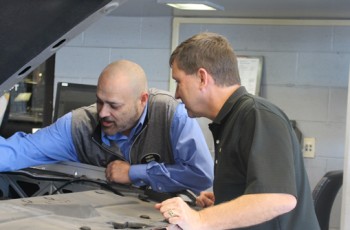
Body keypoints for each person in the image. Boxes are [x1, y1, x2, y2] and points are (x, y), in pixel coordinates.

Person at [155, 32, 320, 229]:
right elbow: (258, 191)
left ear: (201, 78)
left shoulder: (256, 115)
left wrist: (200, 219)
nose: (176, 94)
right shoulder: (231, 120)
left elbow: (279, 198)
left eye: (178, 82)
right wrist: (226, 202)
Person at [0, 59, 214, 195]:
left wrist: (134, 173)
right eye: (100, 101)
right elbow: (18, 151)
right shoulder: (78, 126)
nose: (102, 112)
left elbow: (201, 175)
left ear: (142, 100)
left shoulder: (170, 115)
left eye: (114, 105)